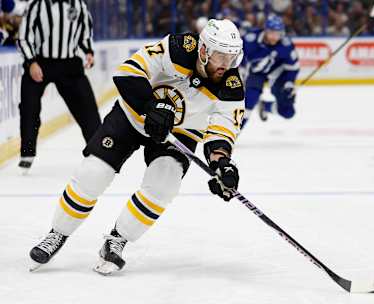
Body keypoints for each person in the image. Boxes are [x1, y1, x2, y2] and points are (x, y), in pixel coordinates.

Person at [28, 19, 245, 276]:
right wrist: (151, 105)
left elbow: (222, 129)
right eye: (221, 56)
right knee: (93, 174)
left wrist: (222, 164)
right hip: (132, 116)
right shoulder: (177, 47)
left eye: (231, 58)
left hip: (180, 132)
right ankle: (57, 234)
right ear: (203, 50)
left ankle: (117, 240)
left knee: (164, 185)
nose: (225, 65)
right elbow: (128, 71)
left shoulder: (231, 86)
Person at [16, 0, 101, 173]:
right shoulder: (36, 5)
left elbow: (85, 32)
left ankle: (99, 153)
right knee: (28, 106)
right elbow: (24, 36)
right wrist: (31, 62)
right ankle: (27, 153)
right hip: (41, 62)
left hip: (69, 64)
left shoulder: (78, 5)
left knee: (87, 109)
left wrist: (89, 52)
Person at [241, 14, 299, 128]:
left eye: (278, 33)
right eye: (271, 32)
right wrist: (241, 71)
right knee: (250, 100)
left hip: (277, 74)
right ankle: (233, 134)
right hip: (256, 73)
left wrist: (289, 83)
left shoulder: (286, 45)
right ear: (265, 30)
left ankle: (265, 106)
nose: (274, 36)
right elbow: (238, 54)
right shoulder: (250, 39)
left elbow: (293, 68)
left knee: (288, 112)